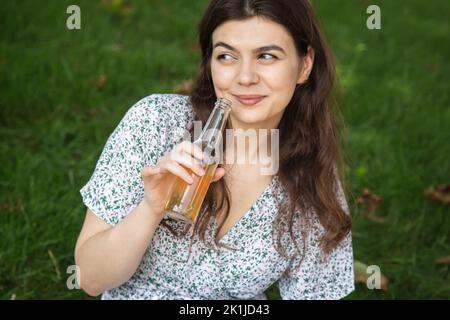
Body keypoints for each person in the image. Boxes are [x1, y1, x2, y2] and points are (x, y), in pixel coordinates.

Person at [75, 0, 355, 300]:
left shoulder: (310, 181)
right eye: (226, 56)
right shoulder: (156, 124)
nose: (245, 77)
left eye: (267, 56)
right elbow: (91, 279)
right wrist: (151, 209)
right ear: (210, 63)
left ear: (304, 65)